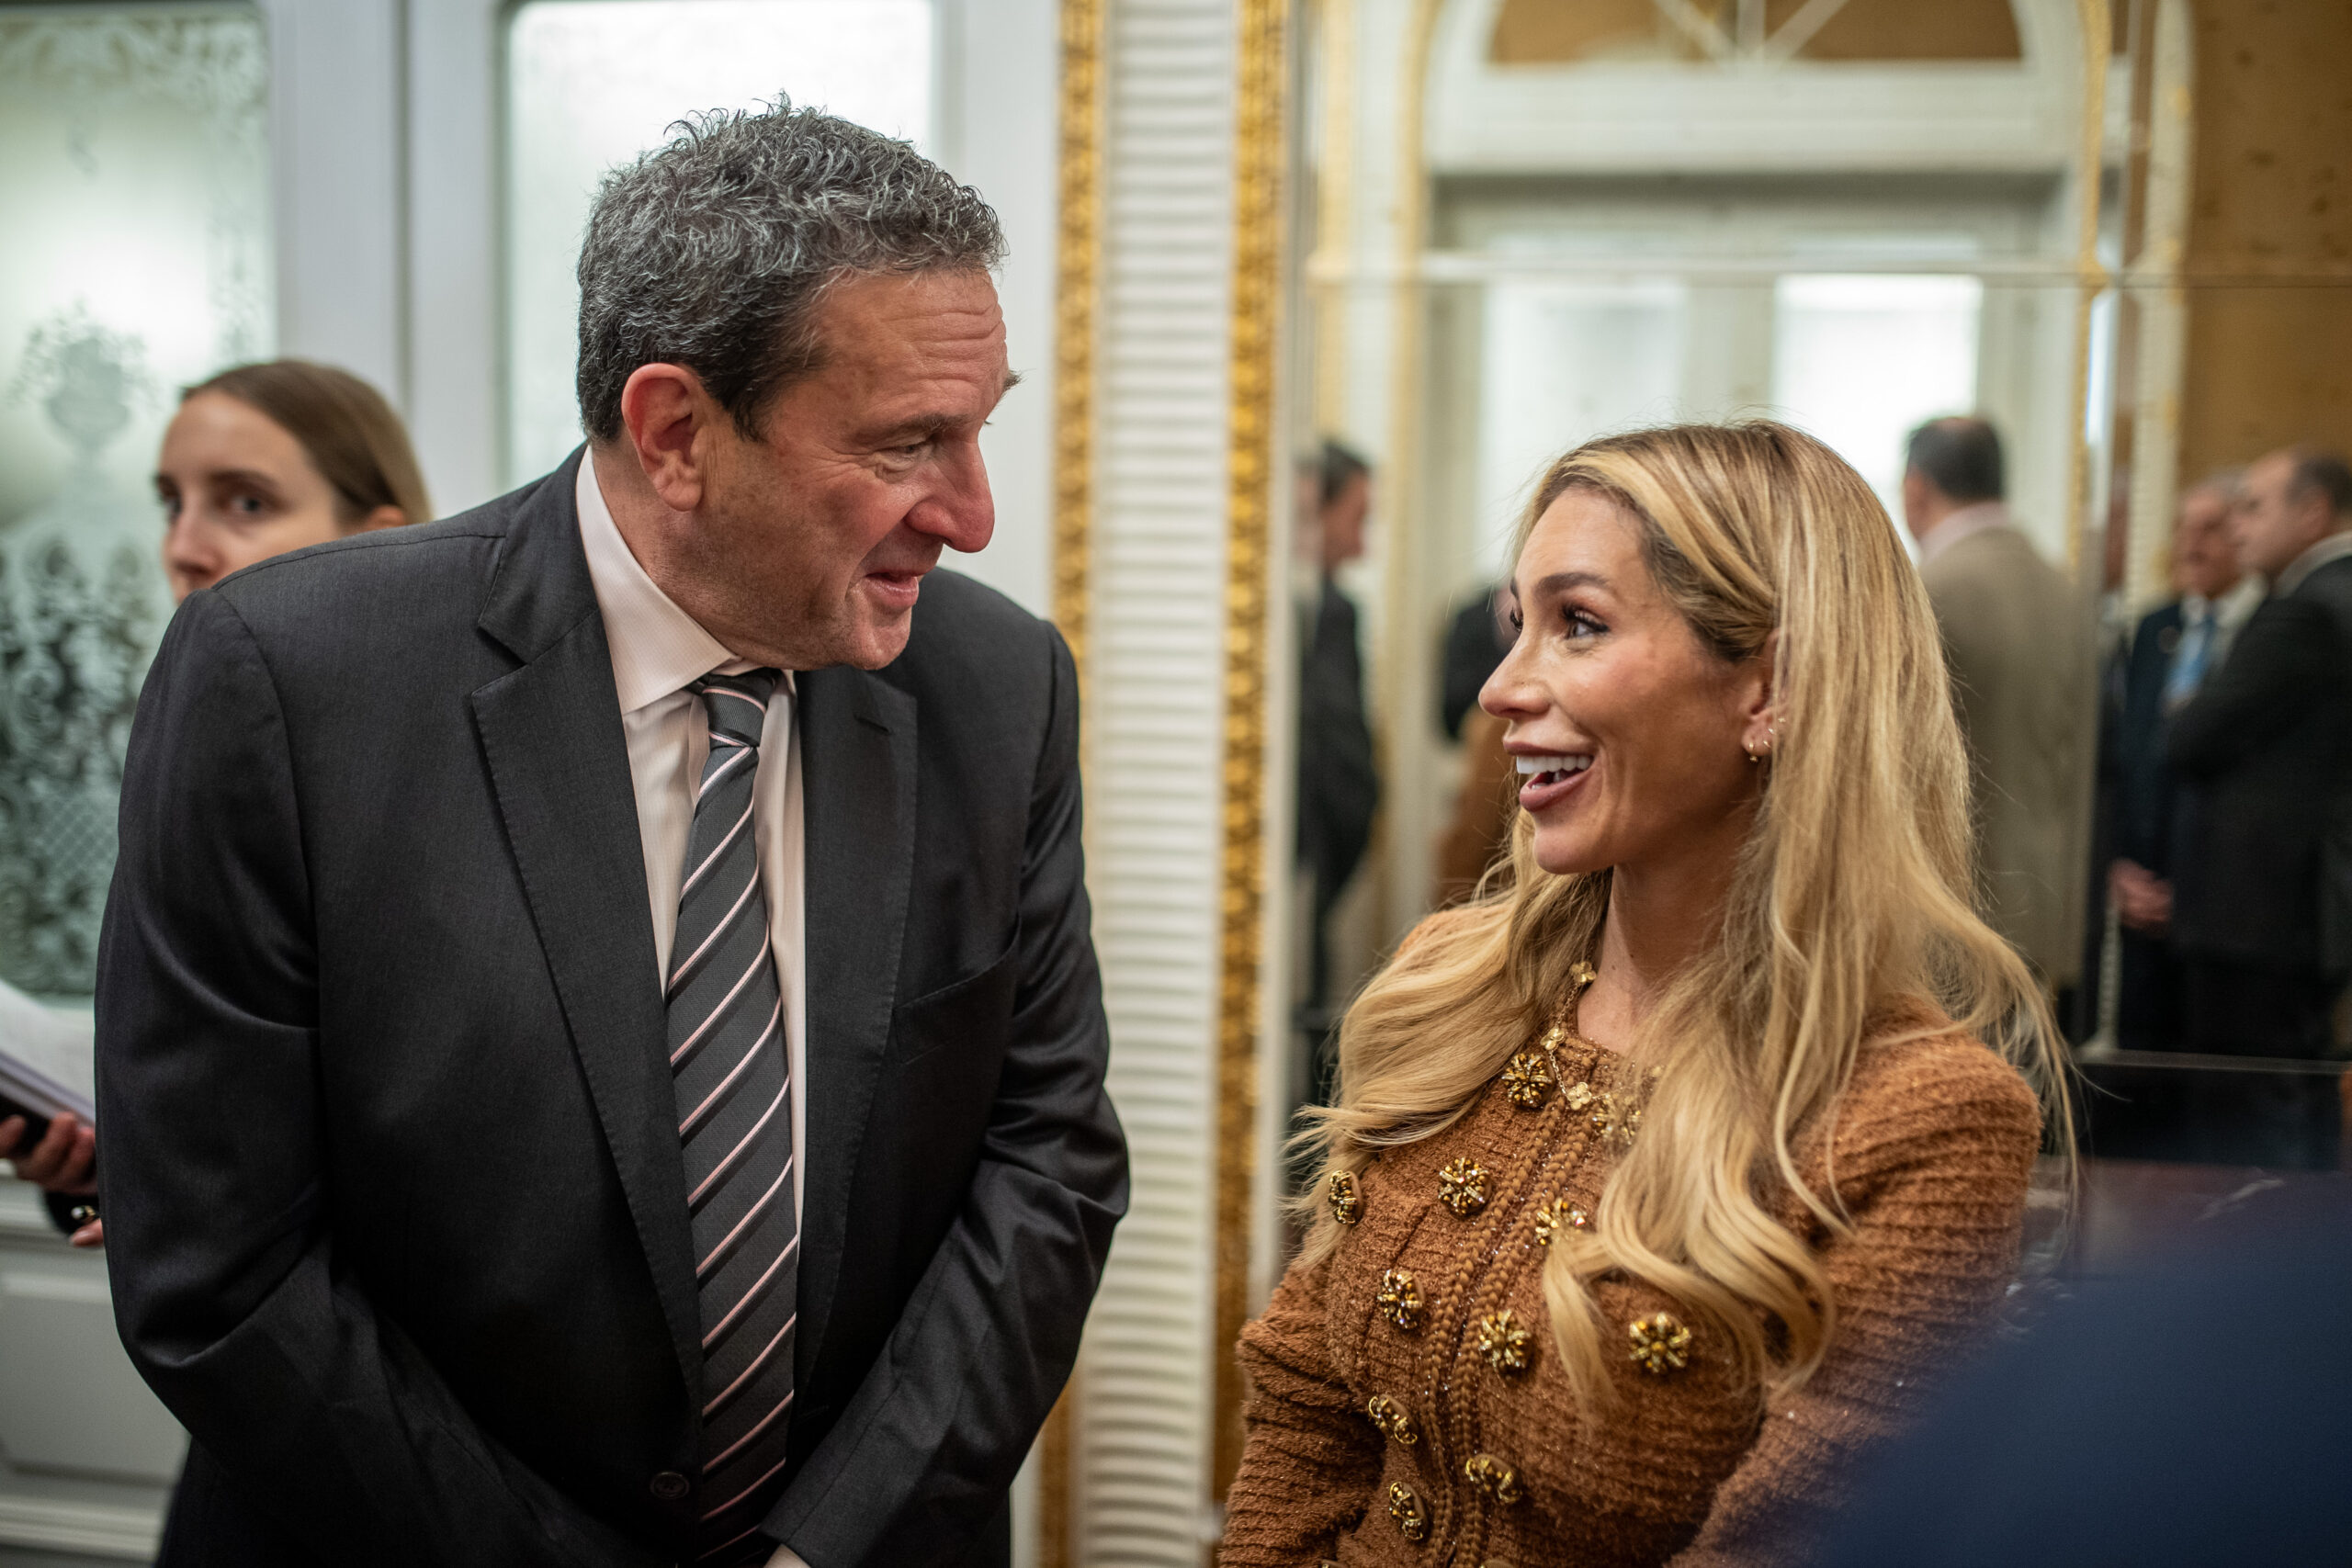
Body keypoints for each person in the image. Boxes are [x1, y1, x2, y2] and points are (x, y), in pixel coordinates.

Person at [97, 103, 1125, 1568]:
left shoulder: (997, 685)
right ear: (676, 433)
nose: (971, 512)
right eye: (910, 442)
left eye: (979, 427)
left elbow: (1047, 1155)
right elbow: (223, 1266)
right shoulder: (289, 681)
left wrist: (823, 1546)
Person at [1224, 422, 2061, 1568]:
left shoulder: (1916, 1120)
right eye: (1518, 625)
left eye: (1578, 624)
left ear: (1769, 687)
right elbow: (1302, 1409)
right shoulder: (1447, 985)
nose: (1502, 688)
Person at [2, 359, 429, 1247]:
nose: (184, 546)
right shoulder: (200, 761)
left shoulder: (441, 780)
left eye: (245, 503)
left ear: (376, 540)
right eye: (171, 503)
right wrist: (101, 1173)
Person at [2169, 446, 2352, 1066]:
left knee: (2249, 1107)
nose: (2238, 525)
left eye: (2253, 508)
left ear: (2313, 512)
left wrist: (2185, 710)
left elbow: (2192, 738)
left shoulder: (2307, 610)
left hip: (2263, 918)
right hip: (2310, 913)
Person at [1902, 415, 2093, 990]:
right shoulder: (2063, 589)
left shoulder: (1929, 588)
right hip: (2045, 904)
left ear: (1916, 488)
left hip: (1952, 910)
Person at [2102, 476, 2260, 1050]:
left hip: (2225, 915)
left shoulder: (2268, 630)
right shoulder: (2154, 629)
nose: (2192, 544)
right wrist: (2115, 867)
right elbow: (2124, 760)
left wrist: (2194, 893)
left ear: (2242, 534)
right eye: (2183, 529)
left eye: (2210, 529)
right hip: (2139, 898)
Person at [1295, 438, 1380, 1083]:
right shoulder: (1322, 613)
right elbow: (1345, 772)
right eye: (1357, 520)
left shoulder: (1330, 609)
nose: (1360, 547)